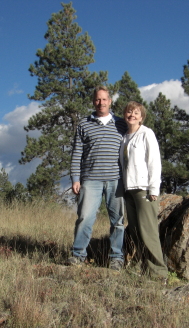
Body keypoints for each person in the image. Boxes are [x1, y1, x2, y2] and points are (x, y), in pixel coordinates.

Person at [68, 86, 127, 271]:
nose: (100, 103)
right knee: (84, 217)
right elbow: (77, 153)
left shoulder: (122, 124)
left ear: (110, 101)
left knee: (117, 221)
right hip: (90, 180)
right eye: (97, 100)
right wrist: (75, 178)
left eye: (104, 99)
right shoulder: (84, 125)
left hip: (116, 180)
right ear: (93, 101)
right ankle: (78, 255)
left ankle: (116, 257)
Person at [120, 101, 168, 281]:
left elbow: (154, 161)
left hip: (144, 190)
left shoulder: (146, 134)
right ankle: (145, 269)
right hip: (128, 190)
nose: (132, 115)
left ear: (141, 117)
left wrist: (153, 188)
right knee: (135, 232)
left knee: (148, 232)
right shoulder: (124, 137)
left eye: (136, 113)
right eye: (129, 112)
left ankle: (159, 273)